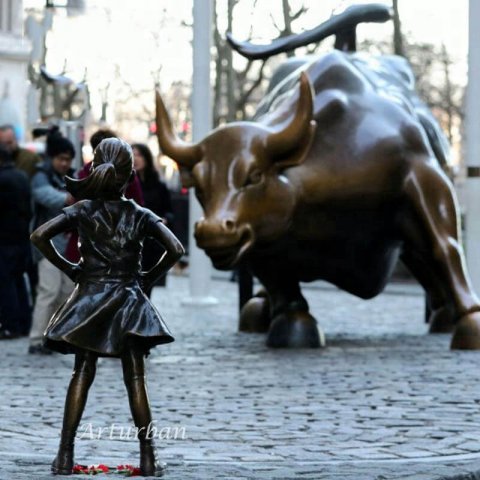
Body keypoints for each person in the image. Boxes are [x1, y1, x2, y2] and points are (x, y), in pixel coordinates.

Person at [30, 138, 184, 476]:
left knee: (82, 374)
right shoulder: (140, 214)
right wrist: (147, 277)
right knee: (135, 379)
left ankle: (65, 455)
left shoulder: (84, 209)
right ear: (131, 176)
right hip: (129, 298)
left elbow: (40, 235)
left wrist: (71, 268)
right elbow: (175, 249)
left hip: (90, 298)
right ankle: (148, 457)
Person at [29, 127, 76, 355]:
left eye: (68, 160)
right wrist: (68, 198)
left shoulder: (69, 177)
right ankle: (37, 339)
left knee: (66, 292)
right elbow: (44, 196)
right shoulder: (41, 175)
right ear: (52, 158)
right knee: (48, 291)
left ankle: (53, 335)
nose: (65, 164)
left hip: (66, 245)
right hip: (46, 245)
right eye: (61, 159)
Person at [64, 128, 144, 263]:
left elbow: (41, 236)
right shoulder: (125, 174)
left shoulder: (84, 175)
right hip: (117, 251)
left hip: (85, 250)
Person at [132, 143, 174, 296]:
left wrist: (164, 220)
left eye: (139, 155)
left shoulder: (159, 185)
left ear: (147, 158)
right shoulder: (126, 185)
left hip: (151, 243)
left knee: (146, 288)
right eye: (132, 155)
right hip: (132, 241)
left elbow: (169, 211)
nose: (135, 159)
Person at [0, 145, 32, 338]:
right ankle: (23, 323)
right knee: (19, 281)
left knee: (6, 283)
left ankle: (11, 325)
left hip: (4, 239)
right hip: (21, 237)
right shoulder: (21, 176)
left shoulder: (2, 179)